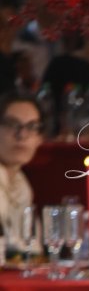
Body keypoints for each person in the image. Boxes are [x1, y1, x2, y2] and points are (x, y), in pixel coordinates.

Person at [0, 90, 44, 228]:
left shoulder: (22, 186)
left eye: (32, 127)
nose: (22, 135)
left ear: (40, 139)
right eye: (12, 124)